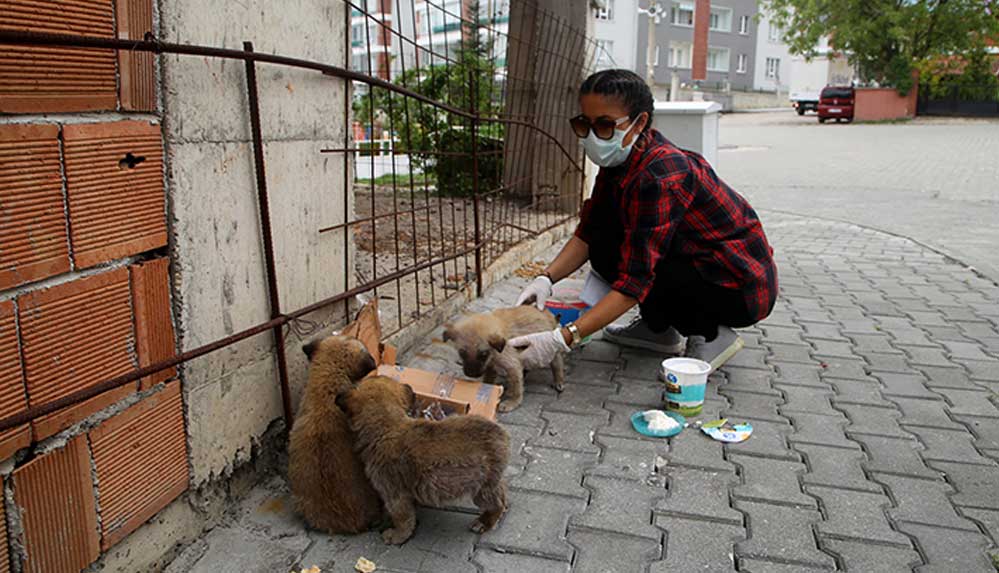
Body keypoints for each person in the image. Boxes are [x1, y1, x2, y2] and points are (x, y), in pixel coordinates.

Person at [509, 69, 778, 372]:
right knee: (605, 247)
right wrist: (545, 279)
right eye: (584, 124)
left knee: (638, 260)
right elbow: (588, 232)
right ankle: (657, 329)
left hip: (736, 287)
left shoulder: (661, 173)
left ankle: (712, 334)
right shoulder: (619, 161)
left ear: (640, 122)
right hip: (698, 265)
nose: (593, 136)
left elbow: (635, 281)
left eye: (605, 125)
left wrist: (562, 339)